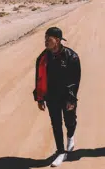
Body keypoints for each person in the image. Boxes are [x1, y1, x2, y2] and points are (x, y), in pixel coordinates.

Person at [33, 27, 81, 167]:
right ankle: (61, 152)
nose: (46, 41)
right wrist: (40, 98)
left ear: (58, 40)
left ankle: (71, 136)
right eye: (45, 38)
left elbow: (75, 81)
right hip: (51, 97)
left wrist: (71, 99)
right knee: (56, 124)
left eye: (49, 39)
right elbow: (39, 79)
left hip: (67, 96)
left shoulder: (72, 57)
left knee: (70, 121)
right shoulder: (42, 58)